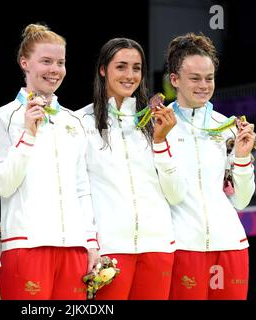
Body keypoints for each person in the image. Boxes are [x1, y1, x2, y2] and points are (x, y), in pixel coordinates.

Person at [0, 23, 99, 300]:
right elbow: (3, 184)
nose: (54, 69)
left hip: (74, 248)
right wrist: (28, 134)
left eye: (60, 62)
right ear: (25, 63)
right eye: (46, 61)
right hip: (25, 246)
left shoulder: (73, 121)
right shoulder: (3, 117)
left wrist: (91, 242)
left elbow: (82, 188)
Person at [75, 38, 181, 300]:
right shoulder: (80, 122)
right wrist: (91, 243)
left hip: (158, 246)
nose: (130, 75)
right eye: (121, 67)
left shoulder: (157, 122)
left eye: (136, 68)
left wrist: (160, 141)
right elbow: (79, 190)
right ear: (103, 70)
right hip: (110, 249)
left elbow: (175, 193)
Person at [165, 33, 256, 299]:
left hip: (230, 246)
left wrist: (241, 157)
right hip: (183, 247)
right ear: (175, 80)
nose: (204, 85)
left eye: (209, 78)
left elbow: (241, 200)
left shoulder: (228, 127)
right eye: (194, 78)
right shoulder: (158, 127)